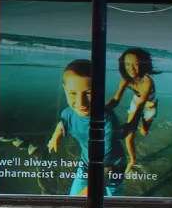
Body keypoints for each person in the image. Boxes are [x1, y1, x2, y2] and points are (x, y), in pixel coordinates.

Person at [47, 59, 119, 196]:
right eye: (73, 93)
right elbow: (62, 124)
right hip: (86, 164)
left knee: (113, 203)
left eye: (88, 93)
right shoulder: (68, 112)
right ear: (64, 89)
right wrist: (54, 138)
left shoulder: (107, 121)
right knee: (73, 200)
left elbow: (106, 168)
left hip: (111, 171)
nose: (81, 103)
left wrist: (84, 196)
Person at [110, 48, 158, 177]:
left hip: (149, 105)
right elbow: (116, 99)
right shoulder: (126, 79)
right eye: (127, 64)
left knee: (144, 131)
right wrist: (103, 109)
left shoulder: (147, 80)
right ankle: (133, 160)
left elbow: (143, 104)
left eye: (135, 64)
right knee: (129, 137)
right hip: (136, 102)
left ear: (142, 64)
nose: (131, 68)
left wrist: (132, 124)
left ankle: (144, 126)